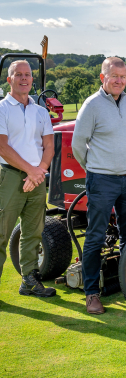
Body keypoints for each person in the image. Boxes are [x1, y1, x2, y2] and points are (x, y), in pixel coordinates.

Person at [72, 57, 126, 314]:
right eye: (114, 76)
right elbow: (79, 144)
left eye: (123, 77)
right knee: (96, 237)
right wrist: (94, 167)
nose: (119, 81)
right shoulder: (92, 105)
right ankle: (92, 293)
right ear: (103, 78)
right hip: (101, 180)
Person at [0, 60, 55, 297]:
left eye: (28, 75)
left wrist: (38, 171)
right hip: (10, 177)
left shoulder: (40, 111)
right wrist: (31, 171)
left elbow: (49, 146)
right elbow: (2, 147)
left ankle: (29, 281)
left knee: (33, 231)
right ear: (9, 79)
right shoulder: (2, 108)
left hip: (37, 179)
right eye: (18, 74)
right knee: (1, 233)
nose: (24, 78)